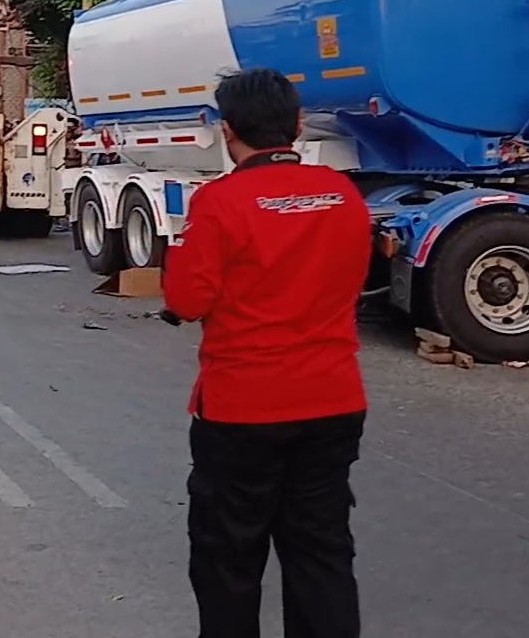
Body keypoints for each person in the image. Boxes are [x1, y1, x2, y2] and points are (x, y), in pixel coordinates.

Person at [161, 67, 371, 638]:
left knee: (228, 563)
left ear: (226, 131)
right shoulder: (344, 195)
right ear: (298, 126)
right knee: (322, 555)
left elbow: (186, 299)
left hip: (242, 410)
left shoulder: (220, 203)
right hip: (332, 402)